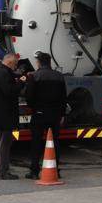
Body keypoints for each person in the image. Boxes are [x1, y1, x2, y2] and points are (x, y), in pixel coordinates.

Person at [24, 52, 67, 180]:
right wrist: (62, 113)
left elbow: (29, 97)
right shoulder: (59, 77)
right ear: (50, 62)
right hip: (55, 115)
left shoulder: (34, 76)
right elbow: (63, 97)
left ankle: (34, 171)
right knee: (55, 143)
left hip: (39, 113)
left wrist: (34, 107)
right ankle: (55, 169)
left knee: (36, 142)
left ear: (38, 62)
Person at [0, 53, 24, 180]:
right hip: (5, 115)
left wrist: (17, 77)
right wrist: (21, 84)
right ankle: (2, 173)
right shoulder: (4, 74)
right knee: (4, 144)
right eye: (15, 64)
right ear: (10, 63)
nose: (16, 67)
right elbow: (10, 91)